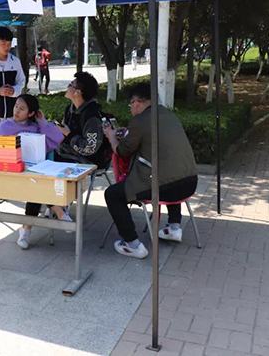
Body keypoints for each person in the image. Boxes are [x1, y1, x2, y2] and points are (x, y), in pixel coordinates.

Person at [103, 83, 198, 259]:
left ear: (137, 103)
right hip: (189, 183)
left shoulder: (140, 120)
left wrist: (111, 136)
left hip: (166, 188)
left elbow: (122, 151)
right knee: (169, 171)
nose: (131, 109)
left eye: (130, 105)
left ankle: (133, 244)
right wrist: (129, 133)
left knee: (112, 194)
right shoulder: (167, 114)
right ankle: (174, 227)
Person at [0, 94, 66, 249]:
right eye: (16, 106)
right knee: (37, 185)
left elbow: (57, 137)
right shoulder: (4, 127)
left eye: (22, 108)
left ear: (31, 113)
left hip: (33, 174)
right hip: (11, 173)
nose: (16, 111)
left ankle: (26, 229)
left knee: (35, 185)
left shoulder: (37, 127)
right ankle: (58, 211)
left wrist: (43, 122)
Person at [54, 71, 109, 167]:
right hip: (67, 155)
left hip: (87, 162)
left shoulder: (92, 116)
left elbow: (89, 149)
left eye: (70, 85)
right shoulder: (69, 109)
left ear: (77, 92)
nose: (67, 87)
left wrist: (69, 135)